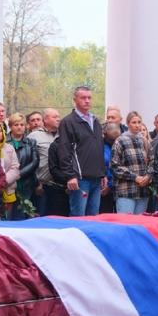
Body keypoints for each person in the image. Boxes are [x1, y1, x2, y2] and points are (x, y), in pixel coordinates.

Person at [55, 85, 106, 217]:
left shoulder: (95, 121)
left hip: (96, 178)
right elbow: (64, 150)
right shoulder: (68, 122)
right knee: (78, 217)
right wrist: (70, 176)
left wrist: (103, 173)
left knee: (94, 217)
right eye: (83, 98)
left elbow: (99, 148)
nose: (87, 101)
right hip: (79, 179)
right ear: (75, 100)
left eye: (89, 97)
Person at [110, 111, 152, 214]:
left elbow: (153, 161)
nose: (137, 125)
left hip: (143, 191)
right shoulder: (120, 141)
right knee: (125, 221)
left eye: (139, 122)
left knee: (139, 222)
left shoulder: (144, 141)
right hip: (126, 191)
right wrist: (135, 177)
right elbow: (115, 166)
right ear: (128, 123)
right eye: (134, 122)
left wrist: (148, 176)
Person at [29, 107, 62, 216]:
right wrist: (36, 183)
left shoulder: (63, 135)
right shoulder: (34, 136)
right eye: (55, 117)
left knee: (57, 218)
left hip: (59, 186)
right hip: (41, 185)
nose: (58, 119)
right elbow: (28, 161)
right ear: (46, 119)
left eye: (58, 116)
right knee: (41, 217)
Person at [4, 112, 36, 220]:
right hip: (8, 183)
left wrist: (19, 174)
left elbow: (35, 162)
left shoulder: (31, 142)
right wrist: (12, 176)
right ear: (10, 126)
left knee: (24, 214)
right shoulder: (4, 142)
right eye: (16, 125)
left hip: (26, 183)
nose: (19, 127)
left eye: (22, 125)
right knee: (8, 215)